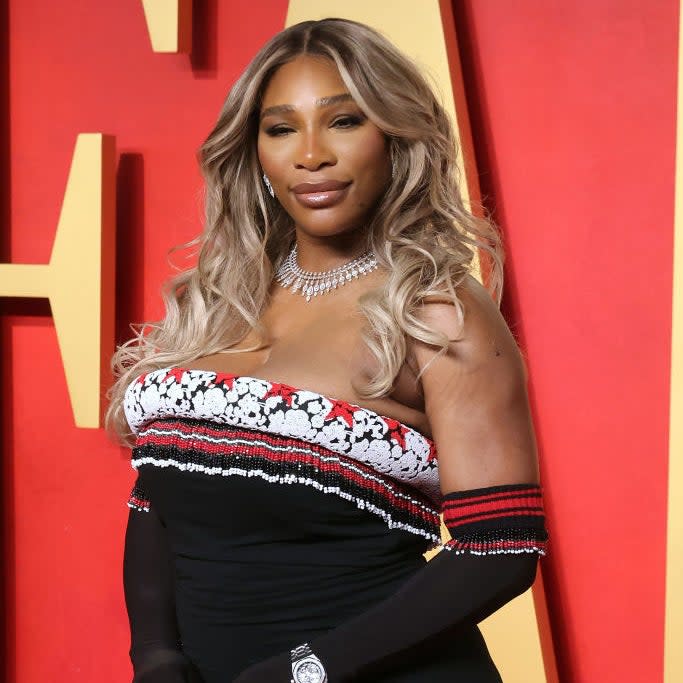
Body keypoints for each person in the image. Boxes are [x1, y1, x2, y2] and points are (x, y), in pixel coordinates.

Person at [107, 17, 548, 683]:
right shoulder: (218, 297)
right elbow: (160, 497)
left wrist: (303, 672)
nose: (311, 154)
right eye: (281, 128)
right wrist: (156, 656)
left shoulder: (434, 309)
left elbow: (501, 547)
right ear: (253, 150)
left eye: (343, 121)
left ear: (394, 136)